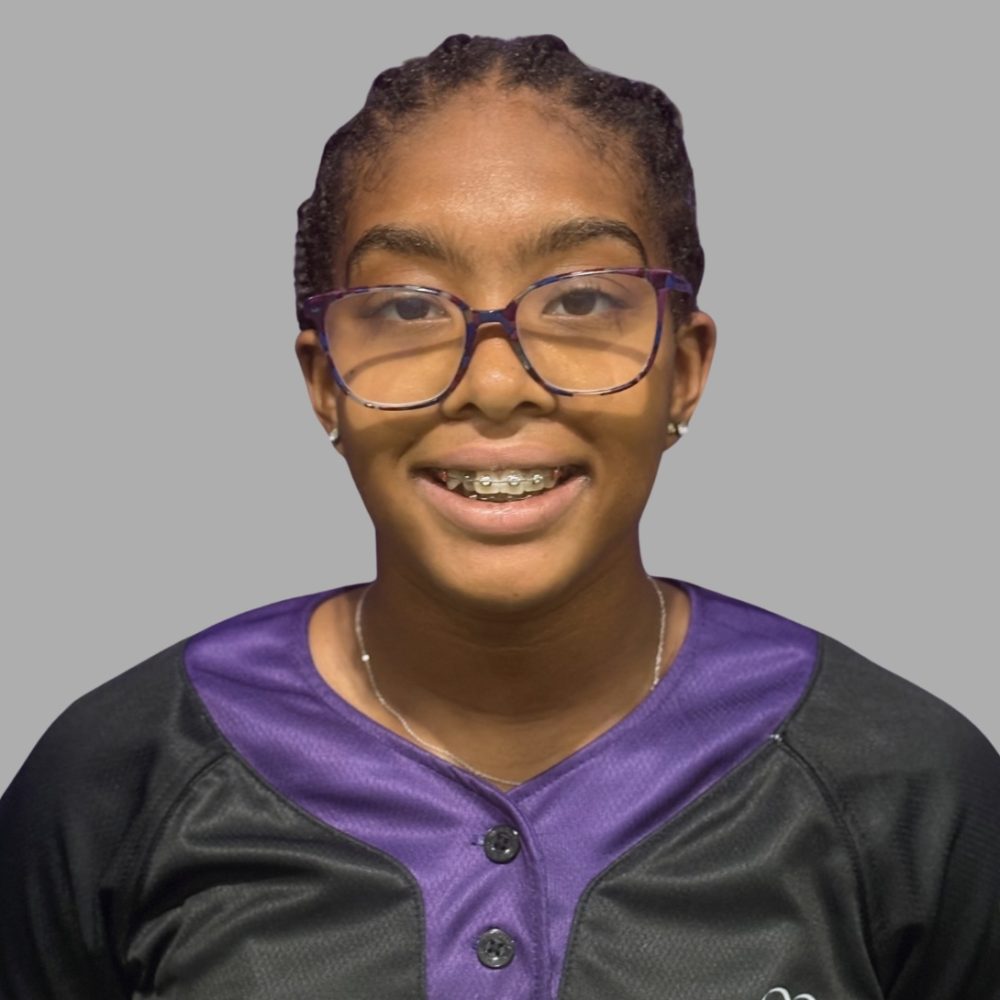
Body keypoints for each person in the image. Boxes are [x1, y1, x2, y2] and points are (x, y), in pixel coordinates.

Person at [1, 32, 998, 1000]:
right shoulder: (121, 782)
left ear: (684, 369)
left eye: (581, 301)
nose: (493, 385)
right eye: (406, 306)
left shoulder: (905, 791)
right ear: (325, 381)